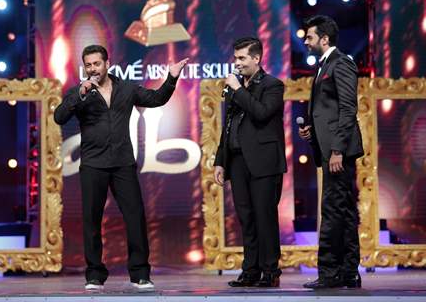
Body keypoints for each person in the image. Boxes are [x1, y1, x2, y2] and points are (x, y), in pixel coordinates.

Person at [54, 44, 188, 291]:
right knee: (92, 220)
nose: (93, 68)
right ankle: (94, 274)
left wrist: (172, 77)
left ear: (107, 64)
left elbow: (156, 99)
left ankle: (140, 274)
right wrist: (79, 95)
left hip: (123, 163)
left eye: (97, 63)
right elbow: (59, 116)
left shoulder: (126, 89)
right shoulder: (80, 93)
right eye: (88, 65)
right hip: (93, 164)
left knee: (135, 217)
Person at [214, 37, 287, 288]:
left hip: (264, 161)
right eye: (236, 58)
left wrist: (238, 90)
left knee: (264, 215)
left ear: (256, 58)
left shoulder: (272, 85)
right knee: (246, 217)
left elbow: (262, 112)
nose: (237, 62)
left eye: (242, 58)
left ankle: (270, 271)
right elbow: (229, 126)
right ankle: (250, 270)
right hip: (237, 160)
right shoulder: (235, 88)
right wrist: (220, 161)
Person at [299, 15, 364, 289]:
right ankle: (349, 271)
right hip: (330, 148)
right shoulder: (324, 65)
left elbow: (348, 109)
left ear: (324, 39)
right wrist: (312, 130)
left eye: (310, 36)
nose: (305, 40)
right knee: (344, 211)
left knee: (333, 209)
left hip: (339, 152)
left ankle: (329, 273)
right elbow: (328, 110)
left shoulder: (341, 63)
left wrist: (337, 149)